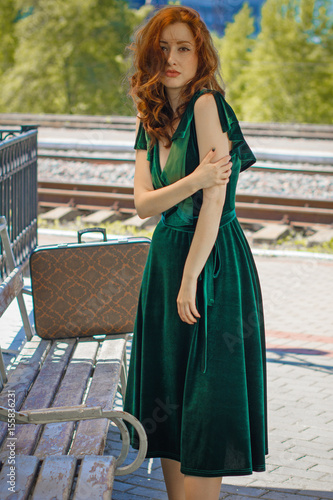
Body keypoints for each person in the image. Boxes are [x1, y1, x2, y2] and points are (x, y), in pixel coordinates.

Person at [123, 5, 268, 500]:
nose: (172, 58)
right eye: (163, 48)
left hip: (212, 266)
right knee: (168, 397)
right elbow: (143, 204)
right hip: (165, 261)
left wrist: (191, 277)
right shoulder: (150, 117)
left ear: (200, 53)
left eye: (184, 47)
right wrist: (195, 178)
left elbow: (216, 202)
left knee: (207, 401)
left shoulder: (208, 105)